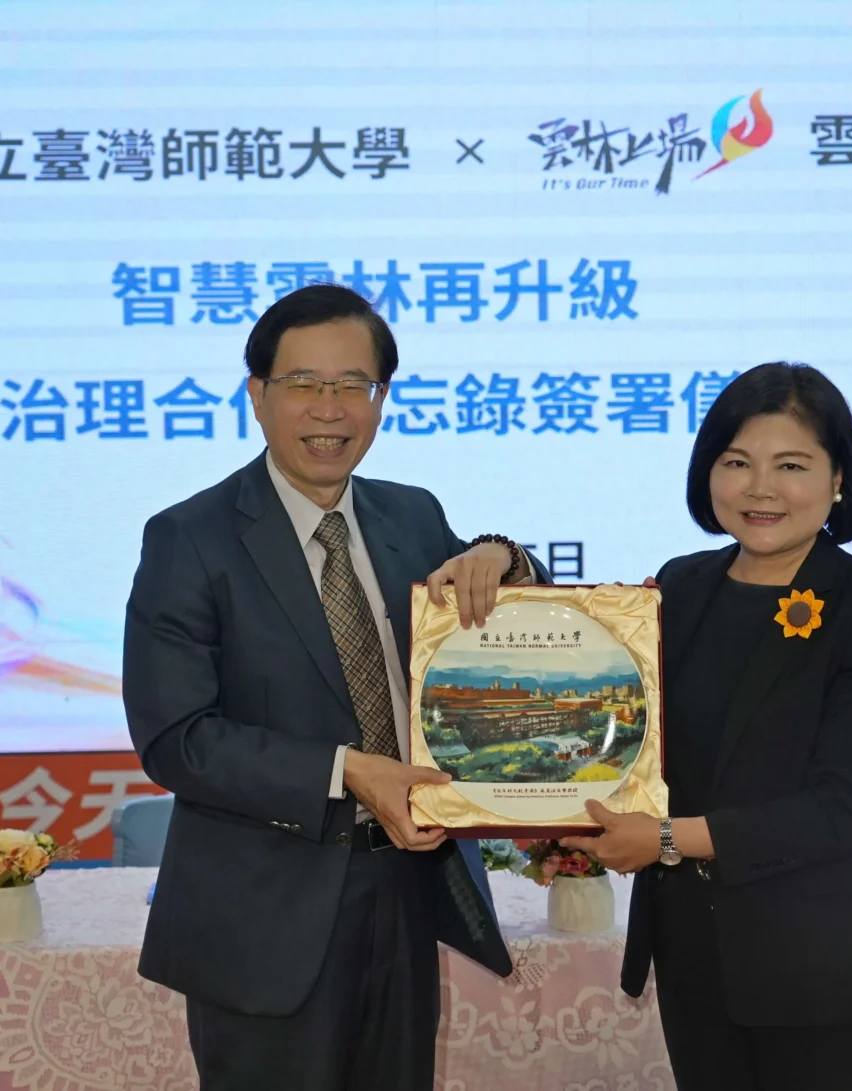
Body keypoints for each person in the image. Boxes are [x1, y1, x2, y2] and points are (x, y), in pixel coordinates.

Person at [122, 284, 548, 1091]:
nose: (330, 408)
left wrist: (505, 556)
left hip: (404, 893)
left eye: (355, 383)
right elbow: (177, 738)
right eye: (304, 383)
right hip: (263, 916)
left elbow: (503, 612)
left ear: (381, 398)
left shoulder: (410, 515)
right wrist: (349, 771)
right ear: (257, 394)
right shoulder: (190, 538)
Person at [563, 361, 852, 1091]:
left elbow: (844, 807)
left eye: (790, 465)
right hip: (694, 953)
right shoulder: (681, 585)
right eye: (736, 463)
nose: (760, 488)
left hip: (822, 966)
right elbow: (625, 730)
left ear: (837, 480)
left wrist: (666, 839)